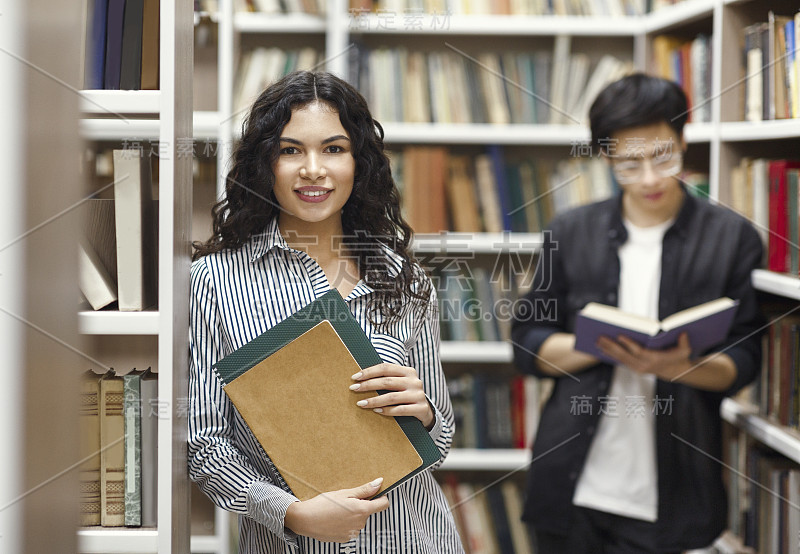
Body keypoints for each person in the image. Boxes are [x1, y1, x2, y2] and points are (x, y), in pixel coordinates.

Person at [188, 71, 464, 553]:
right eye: (290, 150)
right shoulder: (212, 280)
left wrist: (424, 416)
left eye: (334, 149)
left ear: (359, 163)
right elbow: (205, 445)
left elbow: (439, 445)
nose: (313, 169)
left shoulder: (407, 281)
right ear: (264, 165)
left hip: (416, 539)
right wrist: (290, 513)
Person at [511, 73, 764, 553]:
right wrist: (598, 344)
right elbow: (527, 344)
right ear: (606, 157)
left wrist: (678, 366)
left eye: (663, 156)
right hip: (571, 488)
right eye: (628, 163)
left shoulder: (732, 238)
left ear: (683, 140)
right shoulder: (571, 230)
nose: (649, 178)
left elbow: (745, 360)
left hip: (674, 493)